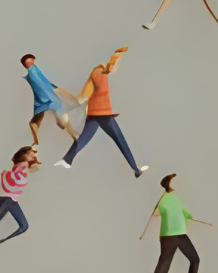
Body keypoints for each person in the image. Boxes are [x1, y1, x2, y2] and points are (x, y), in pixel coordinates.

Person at [54, 46, 148, 178]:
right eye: (117, 65)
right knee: (120, 140)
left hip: (94, 114)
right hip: (103, 115)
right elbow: (108, 73)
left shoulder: (96, 73)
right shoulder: (101, 73)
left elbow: (82, 97)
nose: (117, 69)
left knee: (84, 139)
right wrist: (119, 55)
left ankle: (66, 160)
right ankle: (136, 170)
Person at [140, 173, 213, 273]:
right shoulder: (164, 200)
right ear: (168, 185)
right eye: (173, 182)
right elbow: (157, 213)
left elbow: (184, 211)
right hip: (168, 235)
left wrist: (190, 216)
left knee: (195, 259)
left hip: (180, 233)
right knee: (165, 260)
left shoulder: (173, 198)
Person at [20, 53, 78, 148]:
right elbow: (42, 85)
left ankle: (75, 135)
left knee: (61, 122)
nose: (30, 63)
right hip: (45, 100)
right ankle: (37, 142)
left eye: (30, 61)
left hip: (48, 100)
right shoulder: (32, 72)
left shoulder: (34, 71)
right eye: (28, 62)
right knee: (35, 123)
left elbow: (45, 84)